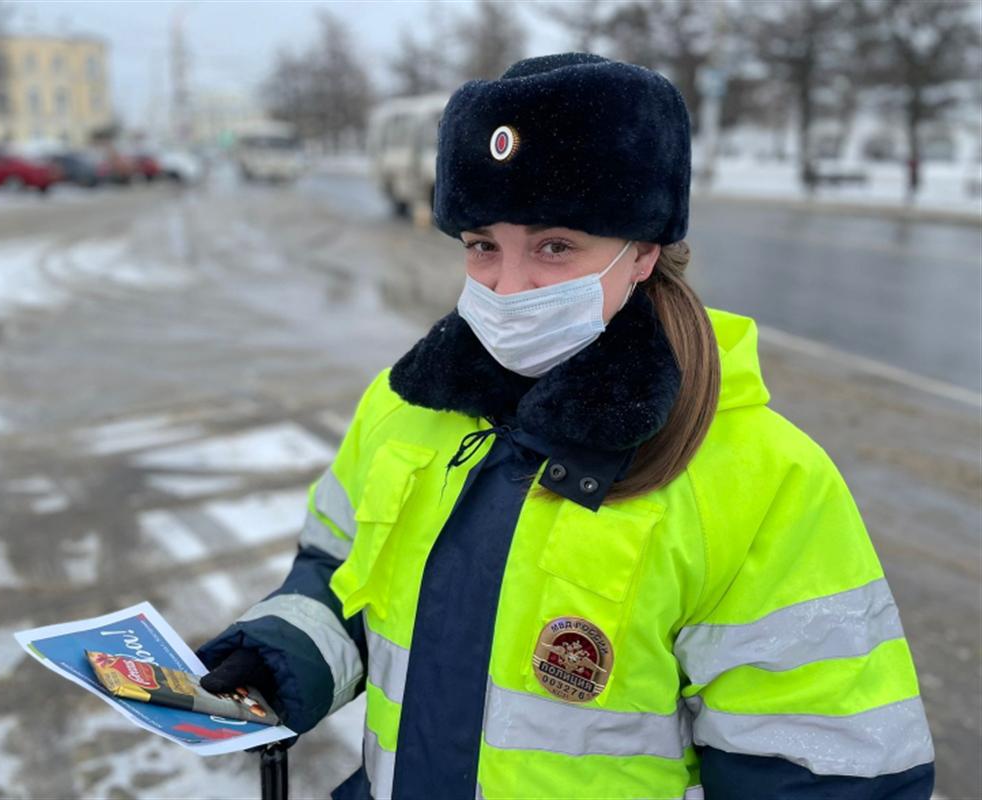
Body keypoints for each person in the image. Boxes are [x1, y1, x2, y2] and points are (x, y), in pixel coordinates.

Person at [196, 53, 935, 800]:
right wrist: (282, 655)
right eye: (483, 245)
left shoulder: (762, 478)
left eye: (554, 246)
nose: (508, 288)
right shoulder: (404, 409)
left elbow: (828, 775)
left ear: (643, 250)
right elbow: (342, 573)